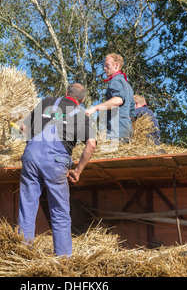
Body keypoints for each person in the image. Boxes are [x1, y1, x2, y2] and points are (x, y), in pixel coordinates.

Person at [18, 83, 97, 257]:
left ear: (66, 93)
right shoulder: (82, 116)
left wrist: (34, 142)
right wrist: (78, 170)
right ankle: (62, 260)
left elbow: (23, 129)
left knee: (27, 207)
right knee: (60, 211)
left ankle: (22, 255)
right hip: (56, 160)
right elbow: (91, 144)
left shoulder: (47, 102)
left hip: (31, 156)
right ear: (81, 100)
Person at [85, 53, 135, 142]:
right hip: (127, 129)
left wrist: (95, 108)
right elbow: (132, 113)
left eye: (107, 65)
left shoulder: (115, 80)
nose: (104, 68)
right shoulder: (128, 86)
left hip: (116, 130)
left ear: (116, 65)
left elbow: (118, 100)